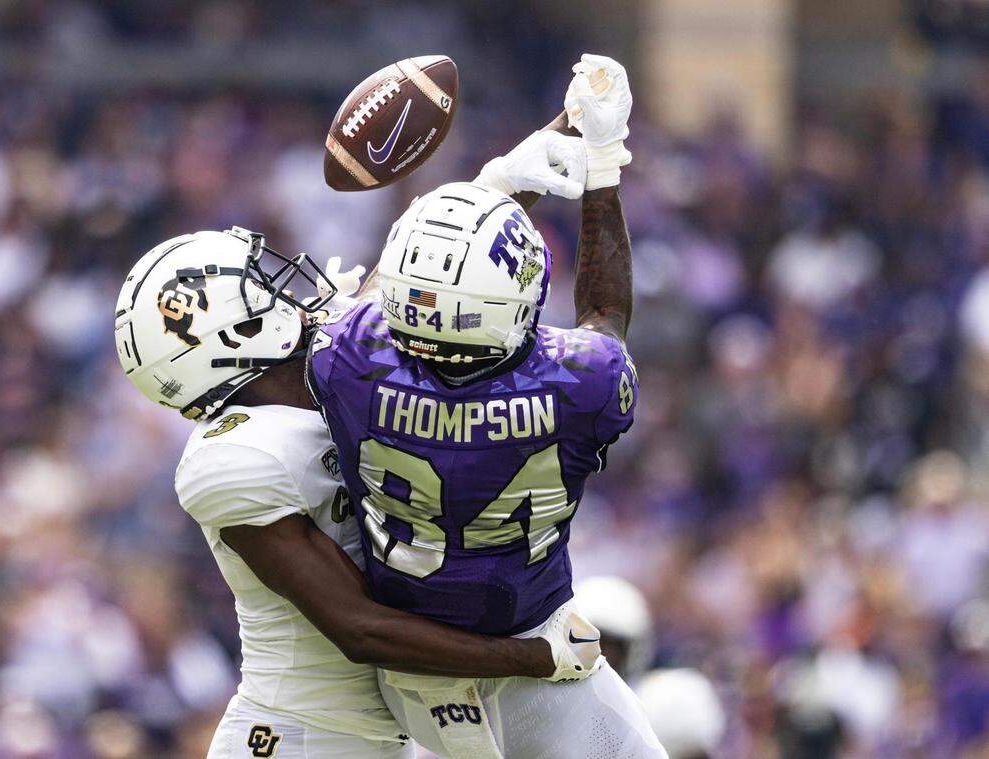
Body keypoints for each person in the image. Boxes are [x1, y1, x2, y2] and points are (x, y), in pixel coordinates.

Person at [113, 130, 599, 756]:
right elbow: (359, 627)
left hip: (392, 736)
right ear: (231, 336)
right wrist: (534, 658)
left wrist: (507, 181)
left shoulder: (325, 369)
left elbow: (419, 288)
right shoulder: (235, 459)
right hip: (299, 740)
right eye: (259, 286)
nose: (286, 287)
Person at [306, 54, 666, 758]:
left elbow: (399, 283)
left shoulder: (348, 359)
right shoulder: (576, 384)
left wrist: (503, 177)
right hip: (539, 644)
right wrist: (600, 162)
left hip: (413, 670)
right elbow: (604, 312)